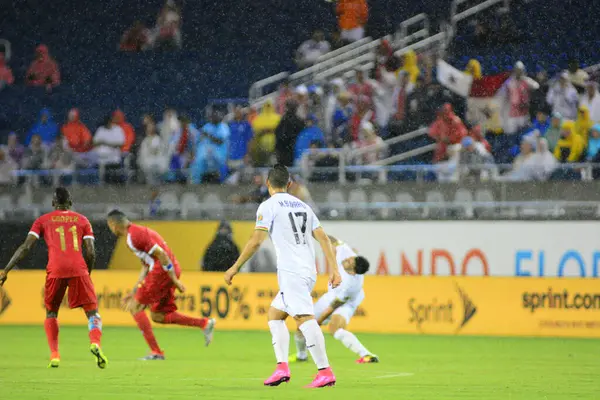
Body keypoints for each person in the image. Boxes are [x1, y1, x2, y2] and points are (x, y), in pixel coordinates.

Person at [224, 164, 341, 388]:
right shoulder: (303, 206)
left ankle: (325, 371)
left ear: (268, 183)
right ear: (289, 184)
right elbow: (324, 238)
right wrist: (334, 269)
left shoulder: (268, 206)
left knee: (303, 318)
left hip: (292, 271)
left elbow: (256, 240)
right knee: (275, 315)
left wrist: (235, 267)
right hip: (307, 270)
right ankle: (281, 368)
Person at [0, 187, 106, 368]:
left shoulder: (43, 220)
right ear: (70, 202)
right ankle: (95, 342)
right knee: (92, 313)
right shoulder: (82, 220)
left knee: (51, 312)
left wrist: (6, 270)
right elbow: (90, 251)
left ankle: (55, 355)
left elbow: (25, 247)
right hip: (78, 269)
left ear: (52, 203)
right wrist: (87, 272)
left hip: (55, 269)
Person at [106, 210, 216, 359]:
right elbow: (146, 265)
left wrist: (174, 280)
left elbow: (162, 255)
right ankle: (204, 323)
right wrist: (134, 291)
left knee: (135, 307)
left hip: (162, 271)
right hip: (167, 269)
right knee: (158, 316)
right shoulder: (136, 234)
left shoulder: (134, 237)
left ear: (113, 224)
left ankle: (156, 352)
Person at [291, 234, 376, 364]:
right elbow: (335, 241)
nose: (346, 259)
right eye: (350, 258)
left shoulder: (350, 285)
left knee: (334, 328)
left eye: (349, 262)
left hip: (346, 304)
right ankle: (301, 355)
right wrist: (316, 233)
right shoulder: (349, 254)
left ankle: (366, 355)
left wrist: (318, 322)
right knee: (302, 323)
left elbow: (333, 307)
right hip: (331, 296)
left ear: (353, 271)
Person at [497, 61, 539, 135]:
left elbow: (536, 86)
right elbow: (500, 95)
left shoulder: (526, 80)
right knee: (511, 135)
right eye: (517, 70)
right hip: (512, 114)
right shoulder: (509, 82)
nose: (518, 72)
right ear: (514, 70)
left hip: (524, 113)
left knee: (524, 135)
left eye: (520, 70)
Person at [191, 111, 230, 184]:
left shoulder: (223, 126)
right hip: (207, 152)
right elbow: (199, 139)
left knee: (221, 166)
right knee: (198, 162)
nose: (214, 118)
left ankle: (223, 183)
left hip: (220, 153)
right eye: (213, 117)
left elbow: (220, 141)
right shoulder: (207, 126)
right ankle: (196, 183)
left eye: (216, 117)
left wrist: (208, 135)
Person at [138, 119, 169, 184]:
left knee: (156, 168)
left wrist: (154, 151)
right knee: (149, 168)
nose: (150, 129)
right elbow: (143, 153)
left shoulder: (158, 139)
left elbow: (161, 151)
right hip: (148, 161)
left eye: (152, 127)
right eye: (149, 127)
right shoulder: (145, 140)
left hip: (157, 160)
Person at [275, 100, 305, 167]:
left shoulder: (284, 120)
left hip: (287, 151)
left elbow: (278, 135)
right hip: (290, 150)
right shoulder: (298, 121)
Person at [251, 100, 281, 166]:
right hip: (262, 148)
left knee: (271, 165)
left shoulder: (259, 119)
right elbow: (255, 132)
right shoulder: (259, 118)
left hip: (273, 148)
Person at [228, 106, 254, 171]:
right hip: (232, 156)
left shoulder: (246, 125)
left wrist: (248, 154)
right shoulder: (230, 124)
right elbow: (227, 141)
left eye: (239, 111)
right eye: (236, 112)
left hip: (243, 156)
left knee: (243, 177)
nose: (237, 113)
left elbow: (250, 140)